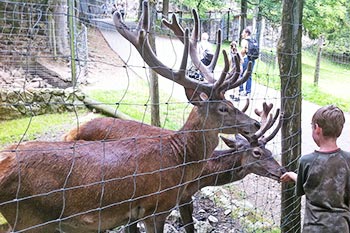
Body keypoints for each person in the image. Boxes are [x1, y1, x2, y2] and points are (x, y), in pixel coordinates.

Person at [280, 105, 350, 233]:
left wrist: (292, 175)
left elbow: (304, 186)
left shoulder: (306, 161)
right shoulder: (347, 159)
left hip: (313, 228)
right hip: (342, 227)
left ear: (317, 129)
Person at [239, 27, 255, 96]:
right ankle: (248, 91)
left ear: (246, 33)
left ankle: (241, 90)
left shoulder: (244, 41)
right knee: (249, 75)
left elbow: (243, 51)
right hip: (253, 59)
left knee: (240, 73)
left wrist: (240, 57)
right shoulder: (253, 40)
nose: (242, 34)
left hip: (246, 58)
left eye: (243, 32)